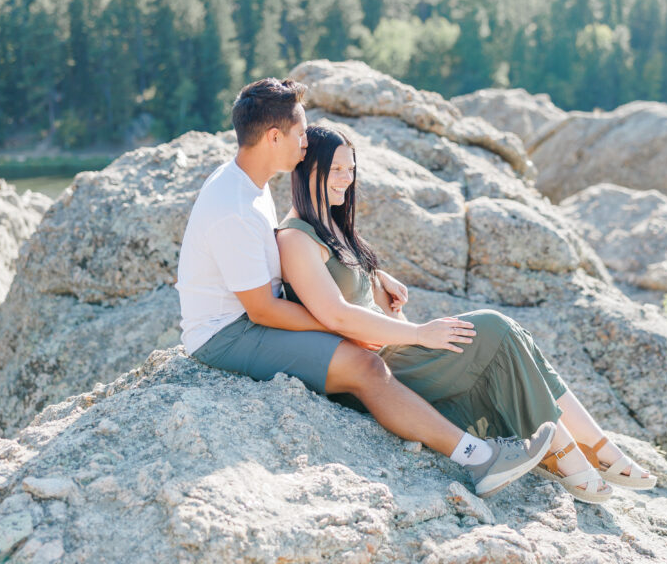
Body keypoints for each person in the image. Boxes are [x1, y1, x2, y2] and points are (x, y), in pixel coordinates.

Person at [175, 77, 556, 499]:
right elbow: (262, 311)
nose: (306, 143)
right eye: (300, 133)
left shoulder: (250, 184)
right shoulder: (235, 206)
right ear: (273, 136)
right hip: (226, 335)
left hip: (248, 319)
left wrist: (368, 278)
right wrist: (342, 326)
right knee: (366, 366)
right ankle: (479, 458)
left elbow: (304, 245)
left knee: (368, 352)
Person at [276, 125, 658, 504]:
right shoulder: (295, 238)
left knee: (510, 337)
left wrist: (380, 283)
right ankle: (572, 453)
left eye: (351, 168)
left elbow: (353, 290)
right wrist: (421, 334)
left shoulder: (330, 226)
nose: (346, 179)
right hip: (373, 372)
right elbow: (335, 315)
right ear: (307, 169)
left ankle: (591, 446)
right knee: (494, 328)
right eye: (336, 169)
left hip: (390, 349)